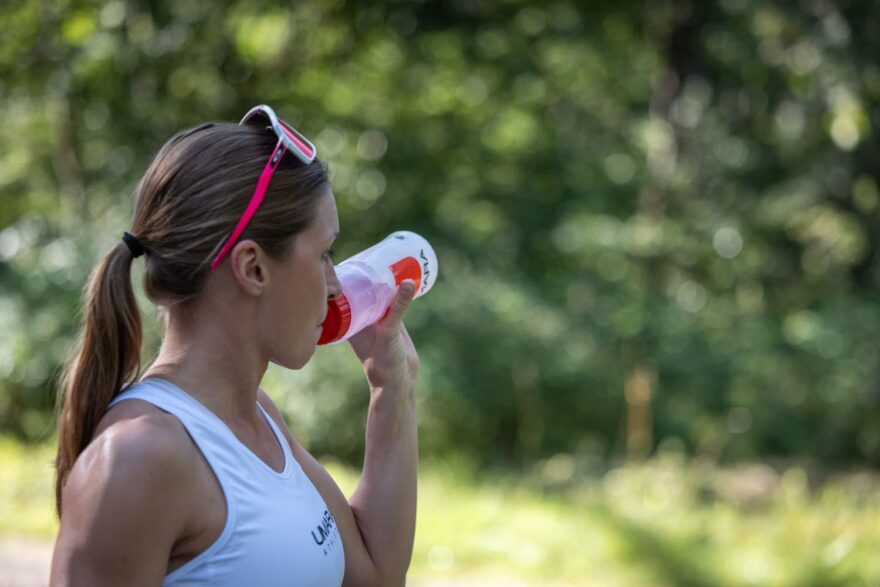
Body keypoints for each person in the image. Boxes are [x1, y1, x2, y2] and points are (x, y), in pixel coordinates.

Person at [49, 105, 420, 587]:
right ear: (253, 268)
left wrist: (393, 385)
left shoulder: (258, 418)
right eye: (324, 253)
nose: (335, 283)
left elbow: (375, 575)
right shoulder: (136, 458)